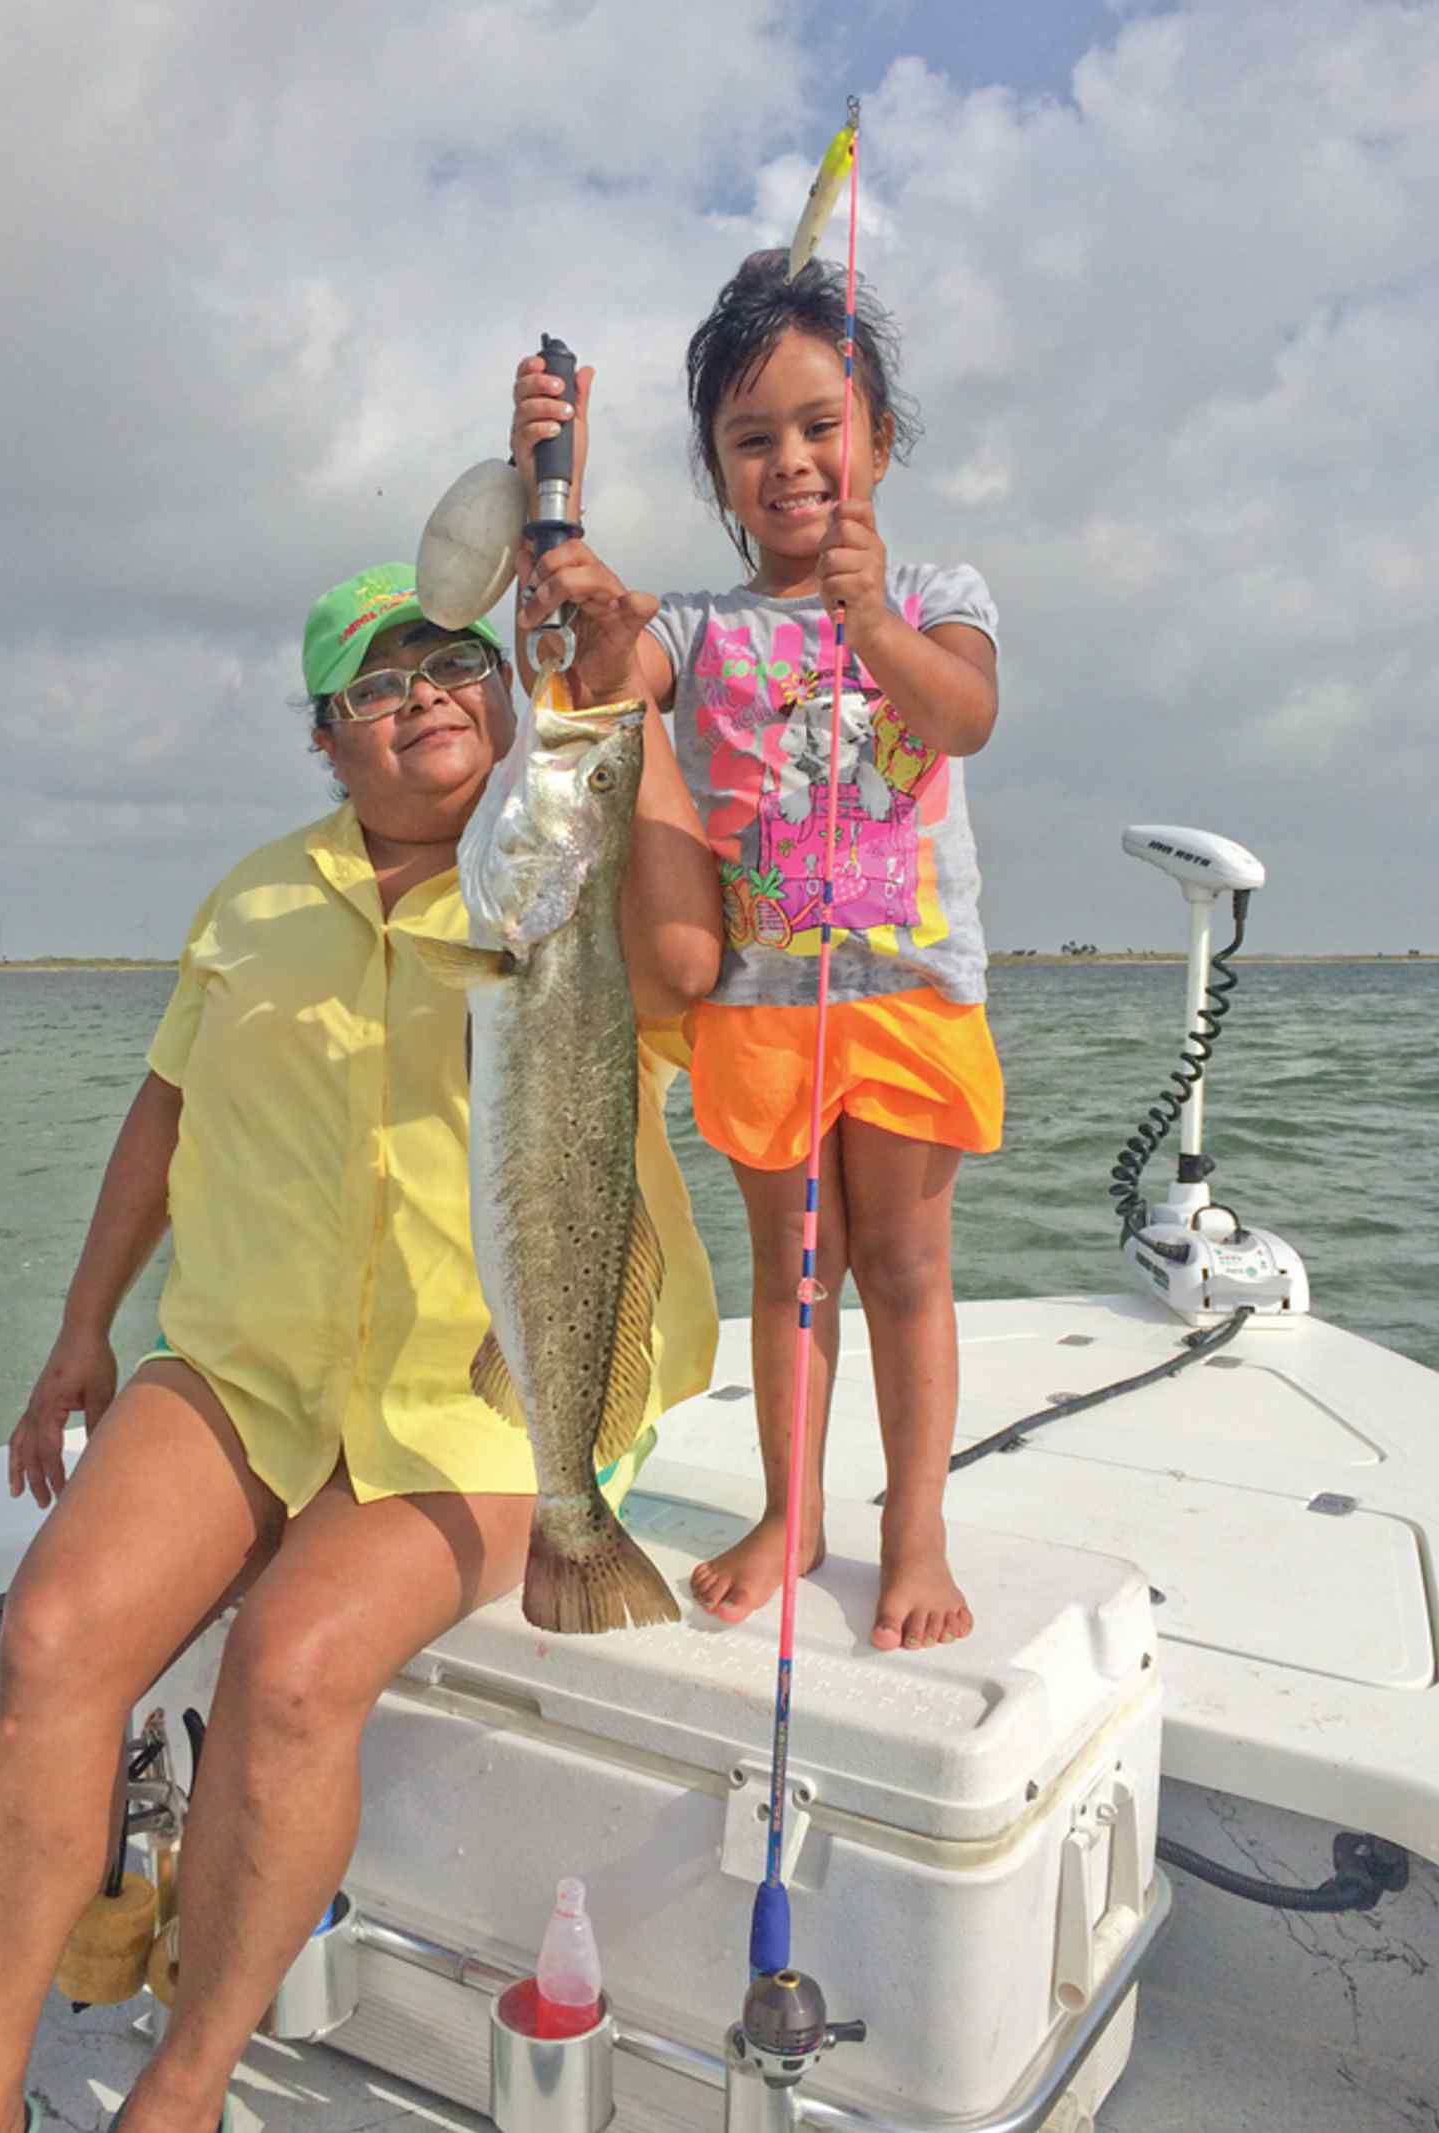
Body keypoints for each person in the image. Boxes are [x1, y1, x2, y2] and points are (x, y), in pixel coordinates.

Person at [0, 565, 721, 2133]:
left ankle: (182, 2088)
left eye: (454, 662)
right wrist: (82, 1326)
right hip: (246, 1362)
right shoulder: (252, 899)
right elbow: (165, 1108)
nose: (424, 695)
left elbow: (687, 966)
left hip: (491, 1390)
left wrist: (617, 685)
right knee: (52, 1636)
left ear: (506, 698)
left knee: (290, 1666)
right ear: (327, 737)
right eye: (377, 682)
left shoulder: (566, 878)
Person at [512, 249, 1002, 1655]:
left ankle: (918, 1529)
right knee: (795, 1271)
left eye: (819, 426)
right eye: (750, 440)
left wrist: (873, 620)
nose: (789, 461)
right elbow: (601, 686)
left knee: (904, 1268)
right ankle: (797, 1514)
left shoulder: (939, 589)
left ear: (878, 443)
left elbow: (962, 715)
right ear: (720, 475)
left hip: (908, 995)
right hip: (758, 1003)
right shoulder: (695, 625)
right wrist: (565, 547)